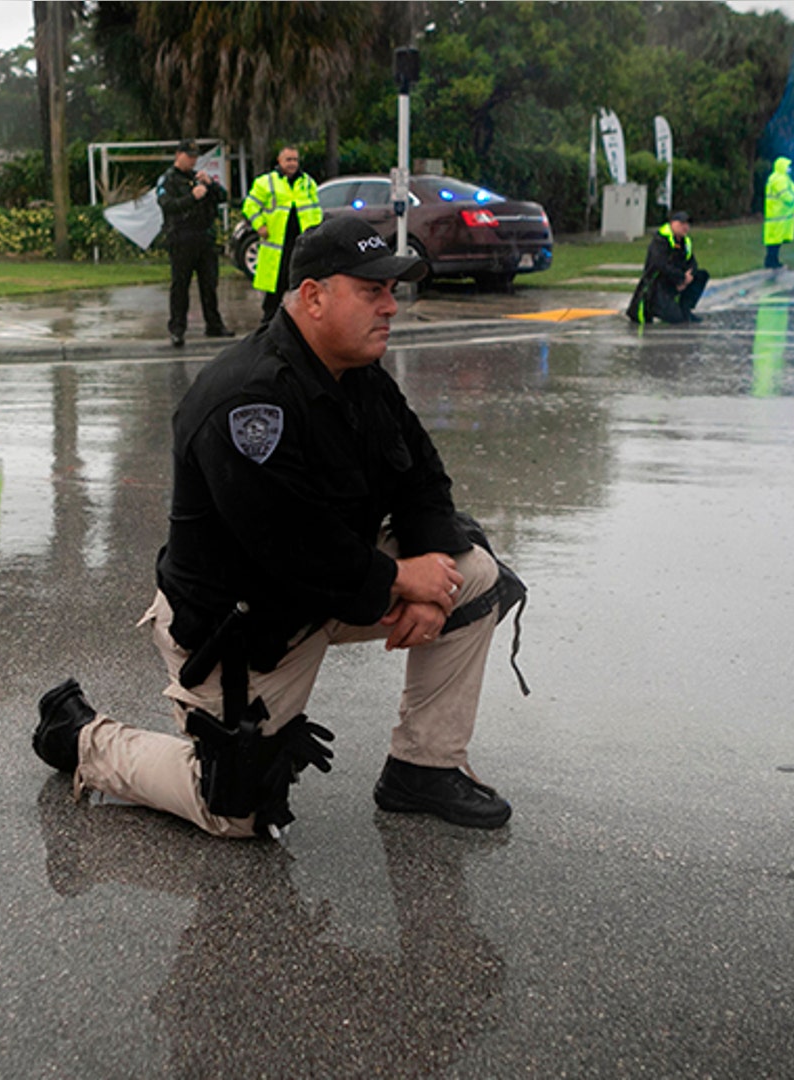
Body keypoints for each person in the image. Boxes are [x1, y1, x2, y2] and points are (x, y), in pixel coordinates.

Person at [33, 216, 523, 838]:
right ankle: (81, 738)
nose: (390, 306)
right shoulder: (247, 400)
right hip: (240, 626)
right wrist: (404, 578)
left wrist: (432, 583)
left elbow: (423, 481)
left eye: (392, 291)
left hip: (327, 588)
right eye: (372, 290)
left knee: (471, 574)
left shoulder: (361, 376)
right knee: (236, 808)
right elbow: (291, 550)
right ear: (313, 297)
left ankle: (423, 768)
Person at [157, 140, 231, 347]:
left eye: (195, 157)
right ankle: (177, 329)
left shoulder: (197, 178)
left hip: (204, 239)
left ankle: (214, 325)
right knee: (180, 286)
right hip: (181, 239)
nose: (192, 161)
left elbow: (222, 197)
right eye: (189, 156)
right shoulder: (169, 180)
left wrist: (211, 184)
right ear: (178, 155)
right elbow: (167, 205)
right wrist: (192, 197)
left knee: (209, 284)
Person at [242, 145, 323, 328]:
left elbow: (315, 210)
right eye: (288, 159)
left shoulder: (307, 182)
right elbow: (250, 206)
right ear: (279, 161)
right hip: (277, 244)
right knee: (276, 289)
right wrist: (259, 224)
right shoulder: (266, 182)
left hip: (302, 243)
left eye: (295, 159)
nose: (292, 163)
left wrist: (315, 232)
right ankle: (267, 326)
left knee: (301, 285)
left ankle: (299, 325)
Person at [626, 209, 708, 324]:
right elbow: (660, 265)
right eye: (681, 224)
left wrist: (688, 276)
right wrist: (681, 277)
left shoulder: (685, 242)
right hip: (657, 286)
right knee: (676, 319)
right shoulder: (660, 241)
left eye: (687, 224)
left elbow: (692, 262)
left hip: (675, 282)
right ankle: (651, 308)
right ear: (672, 224)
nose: (685, 227)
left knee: (701, 275)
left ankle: (685, 309)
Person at [763, 156, 794, 270]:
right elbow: (786, 195)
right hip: (778, 215)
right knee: (774, 240)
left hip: (778, 215)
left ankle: (772, 260)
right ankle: (771, 261)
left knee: (775, 240)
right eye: (788, 166)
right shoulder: (779, 179)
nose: (789, 169)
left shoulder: (780, 178)